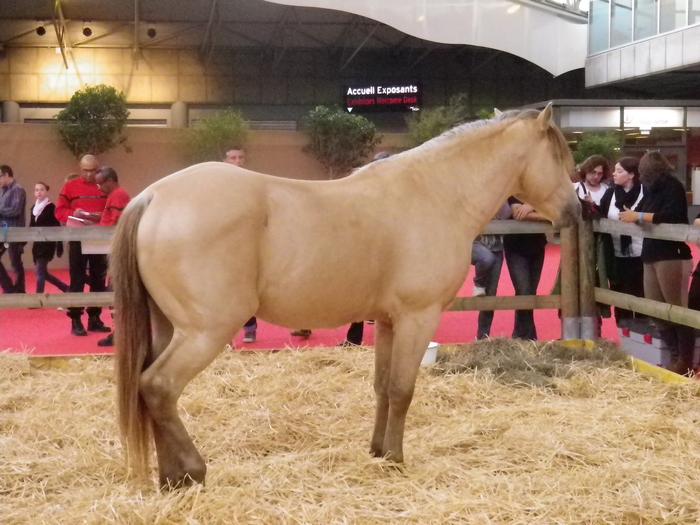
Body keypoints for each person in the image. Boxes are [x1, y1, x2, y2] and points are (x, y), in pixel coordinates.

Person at [619, 151, 693, 375]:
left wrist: (640, 217)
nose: (640, 176)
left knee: (676, 308)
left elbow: (673, 216)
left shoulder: (673, 187)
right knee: (655, 308)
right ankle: (674, 354)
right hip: (651, 253)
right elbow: (637, 209)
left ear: (650, 171)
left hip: (672, 254)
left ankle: (685, 359)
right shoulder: (649, 189)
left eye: (643, 172)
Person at [55, 154, 110, 337]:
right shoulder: (70, 187)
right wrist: (74, 213)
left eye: (92, 171)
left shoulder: (104, 186)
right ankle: (76, 320)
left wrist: (99, 216)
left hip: (98, 238)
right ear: (80, 169)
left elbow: (112, 209)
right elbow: (60, 210)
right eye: (85, 171)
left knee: (98, 279)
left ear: (98, 169)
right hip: (77, 238)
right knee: (77, 279)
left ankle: (95, 318)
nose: (88, 175)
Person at [598, 157, 645, 325]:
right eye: (614, 170)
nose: (614, 174)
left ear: (631, 174)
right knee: (620, 299)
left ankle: (643, 341)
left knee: (641, 299)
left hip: (642, 255)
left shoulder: (645, 192)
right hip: (616, 255)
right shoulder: (610, 193)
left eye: (619, 171)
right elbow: (600, 216)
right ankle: (624, 336)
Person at [223, 147, 258, 343]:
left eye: (240, 157)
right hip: (224, 244)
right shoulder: (220, 185)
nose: (237, 161)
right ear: (226, 160)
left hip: (245, 243)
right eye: (233, 158)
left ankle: (250, 328)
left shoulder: (251, 183)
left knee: (244, 288)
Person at [94, 166, 131, 347]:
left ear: (110, 180)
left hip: (116, 250)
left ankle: (121, 333)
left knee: (115, 292)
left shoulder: (118, 196)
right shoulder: (116, 195)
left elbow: (116, 223)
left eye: (101, 183)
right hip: (113, 249)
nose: (99, 187)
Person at [503, 197, 548, 340]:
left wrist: (531, 205)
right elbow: (518, 214)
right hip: (515, 247)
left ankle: (519, 336)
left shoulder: (538, 194)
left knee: (530, 293)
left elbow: (555, 214)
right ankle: (529, 338)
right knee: (524, 292)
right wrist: (538, 208)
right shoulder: (514, 193)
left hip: (537, 246)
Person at [472, 203, 512, 339]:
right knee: (486, 259)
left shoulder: (502, 197)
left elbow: (507, 213)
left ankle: (482, 337)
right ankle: (478, 283)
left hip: (497, 247)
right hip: (477, 242)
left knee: (491, 295)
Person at [30, 182, 68, 294]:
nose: (39, 192)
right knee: (43, 272)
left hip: (47, 244)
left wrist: (59, 245)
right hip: (37, 244)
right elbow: (31, 227)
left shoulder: (51, 207)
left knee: (40, 272)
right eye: (36, 190)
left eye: (41, 189)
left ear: (46, 192)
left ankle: (38, 298)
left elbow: (57, 226)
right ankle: (65, 288)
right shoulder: (33, 208)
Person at [0, 164, 27, 294]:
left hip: (15, 231)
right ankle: (10, 288)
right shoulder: (3, 190)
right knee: (16, 262)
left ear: (6, 175)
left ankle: (19, 289)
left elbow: (15, 210)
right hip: (4, 232)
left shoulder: (18, 189)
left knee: (16, 262)